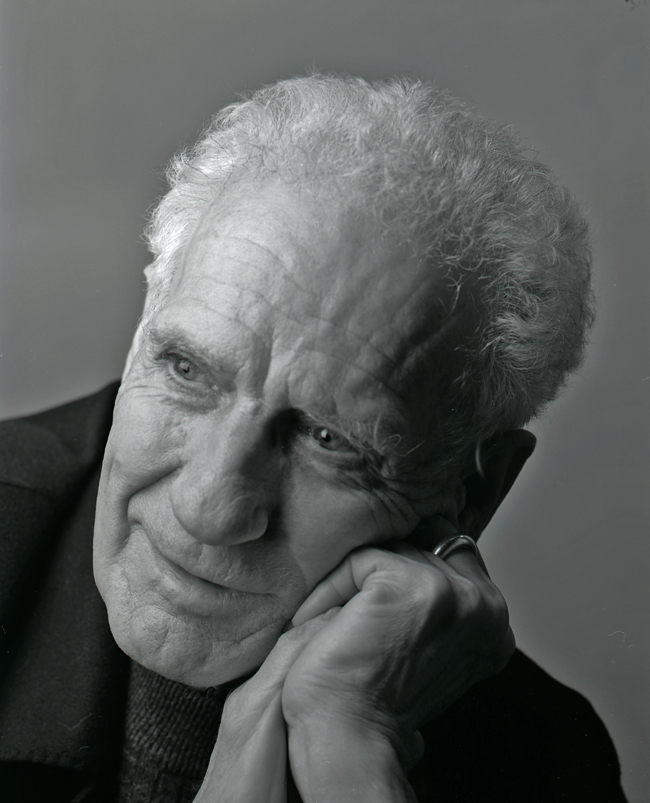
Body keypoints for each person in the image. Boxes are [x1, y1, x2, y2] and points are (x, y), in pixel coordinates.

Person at [0, 75, 626, 802]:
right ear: (143, 336)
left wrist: (349, 744)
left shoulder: (541, 762)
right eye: (187, 370)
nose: (209, 508)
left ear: (473, 492)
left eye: (328, 438)